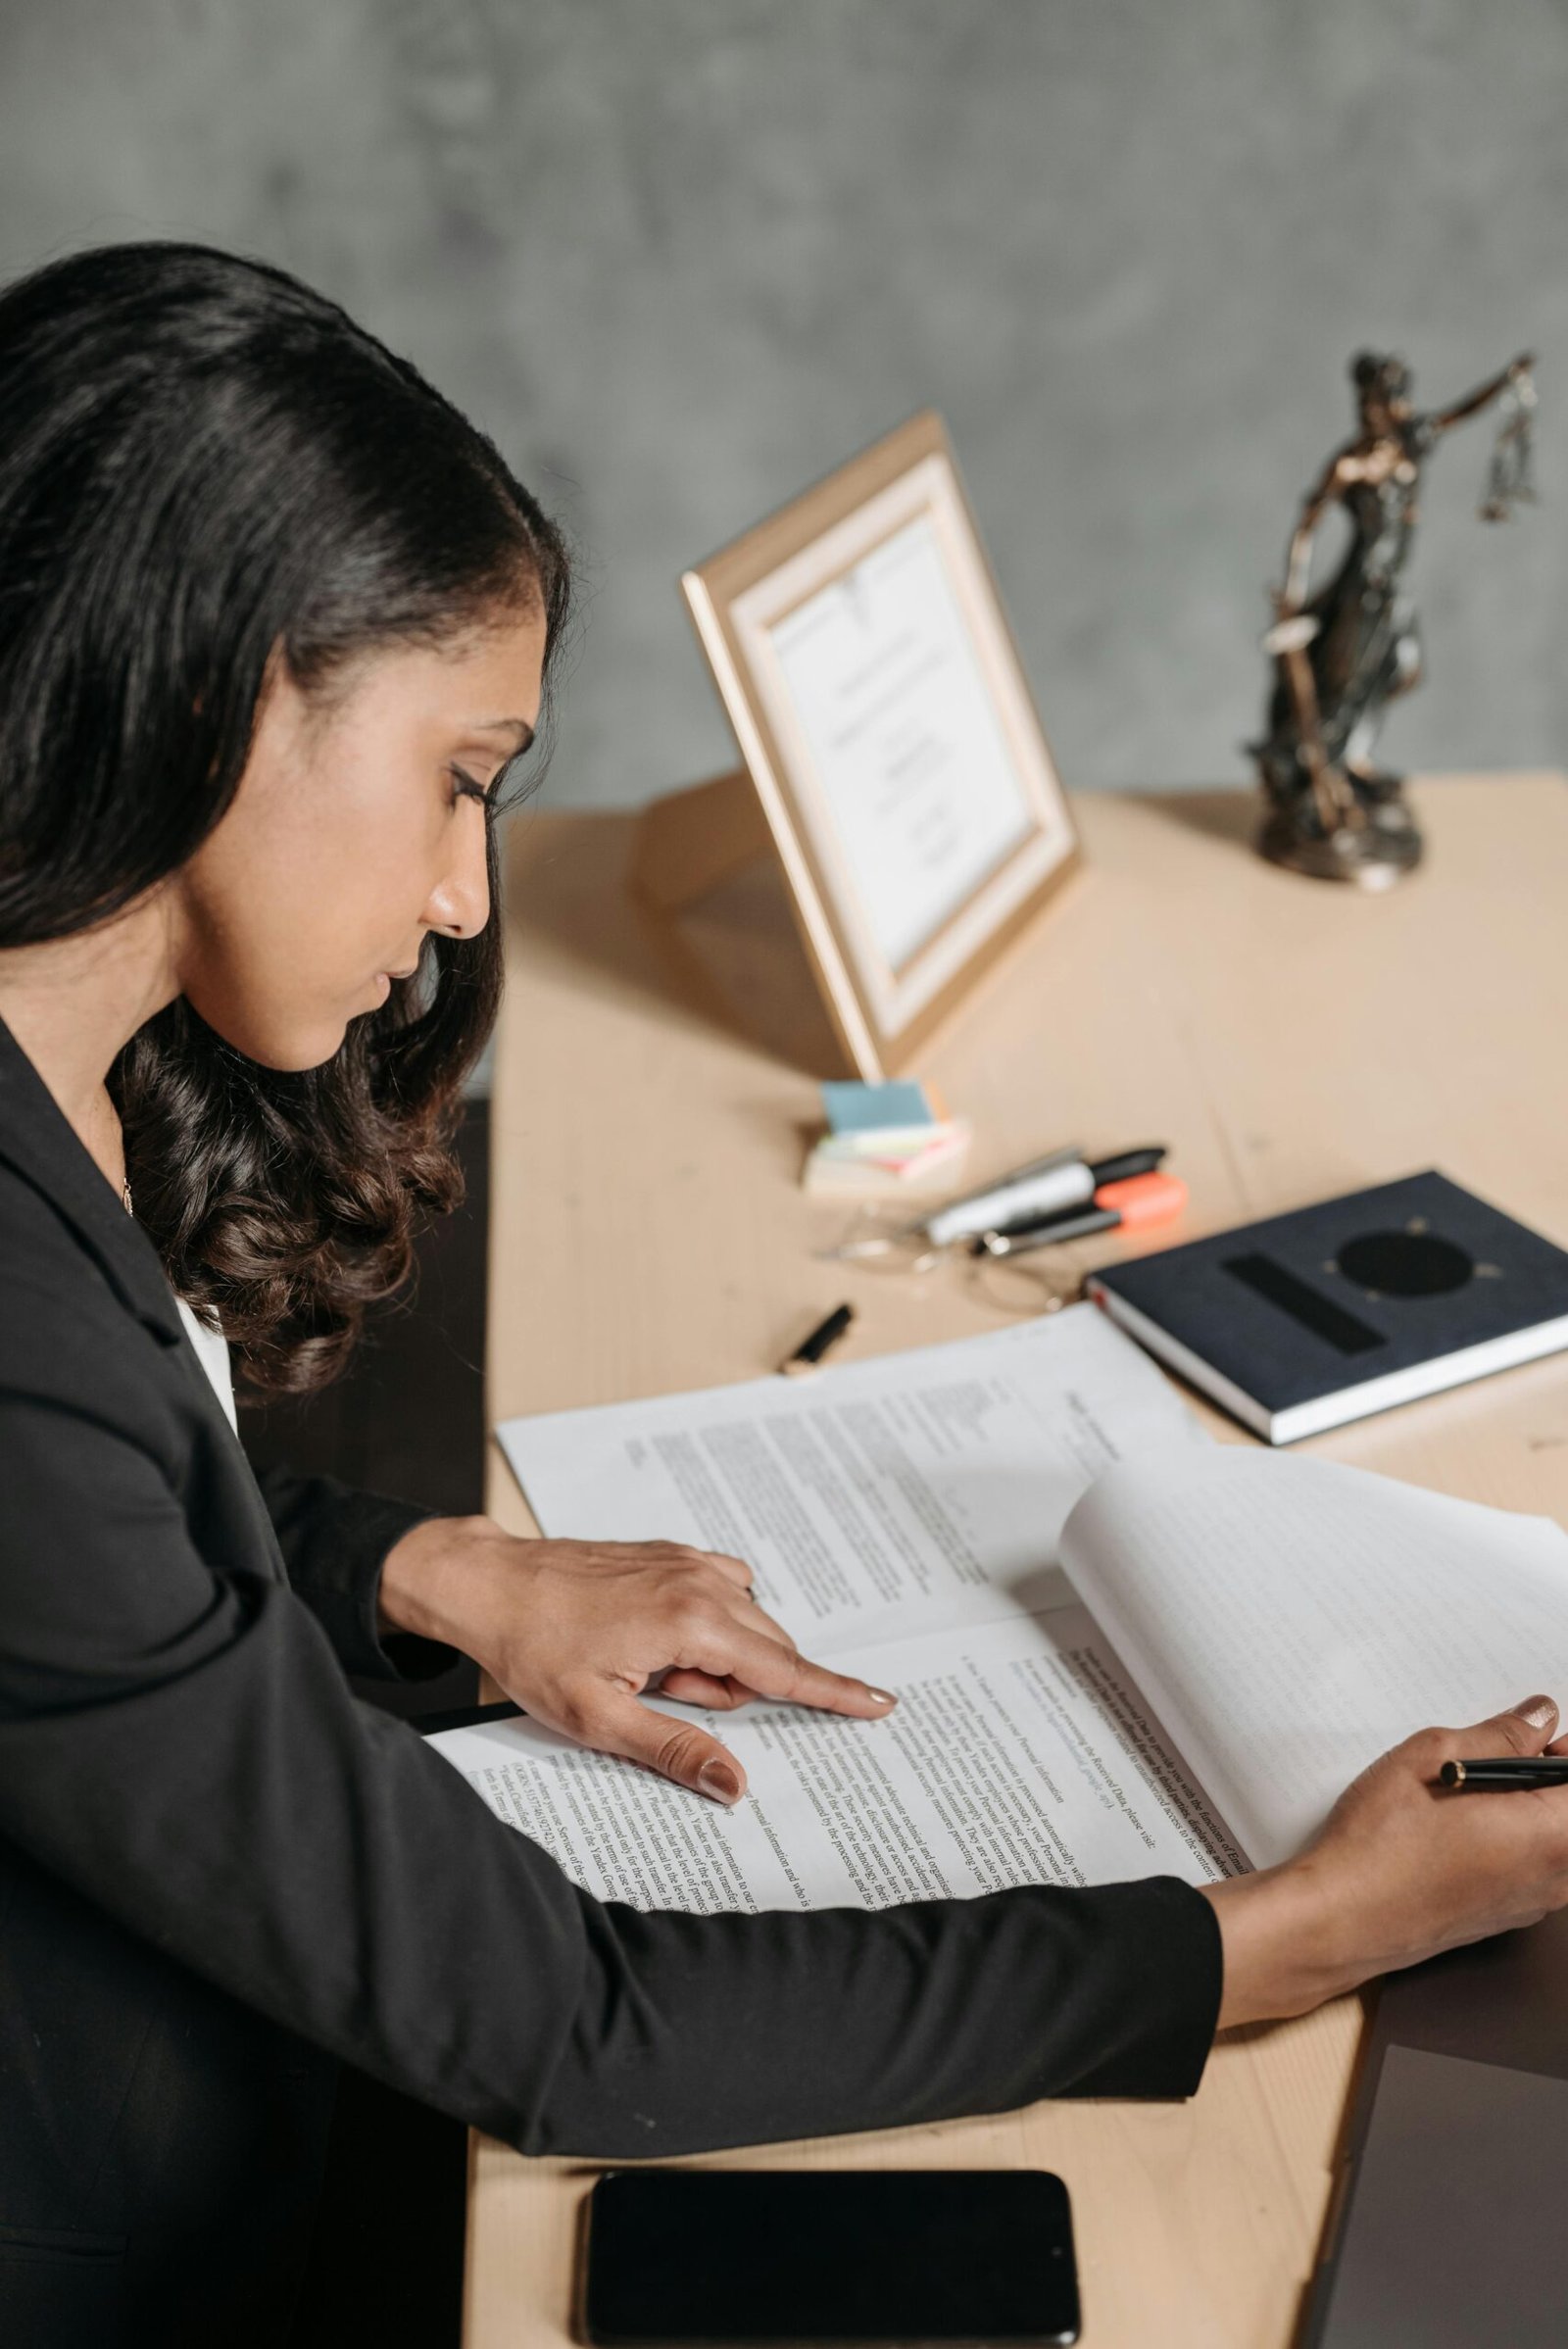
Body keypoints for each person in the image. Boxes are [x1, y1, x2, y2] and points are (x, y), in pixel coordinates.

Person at [3, 244, 1568, 2349]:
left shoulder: (59, 1090)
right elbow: (558, 2012)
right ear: (225, 687)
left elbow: (120, 1544)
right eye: (459, 773)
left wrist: (431, 1572)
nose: (466, 891)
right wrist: (1263, 1940)